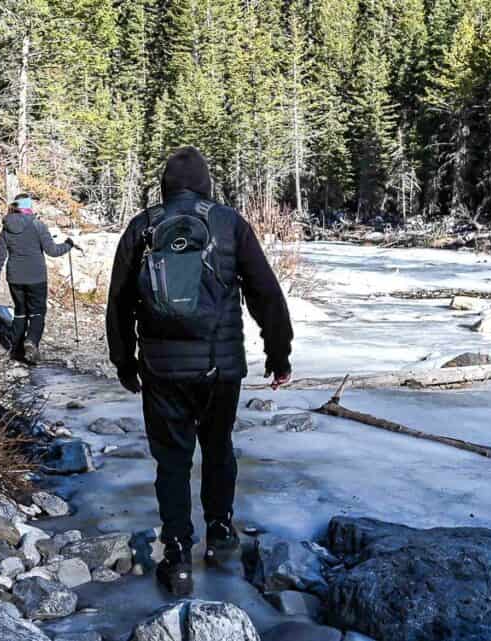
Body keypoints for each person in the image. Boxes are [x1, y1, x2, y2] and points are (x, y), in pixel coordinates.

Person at [106, 146, 294, 596]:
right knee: (218, 448)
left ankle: (176, 556)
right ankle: (221, 535)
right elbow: (266, 293)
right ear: (207, 184)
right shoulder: (229, 223)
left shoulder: (143, 225)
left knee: (171, 462)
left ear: (165, 186)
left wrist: (124, 361)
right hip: (220, 367)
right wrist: (278, 354)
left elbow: (118, 303)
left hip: (161, 369)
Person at [0, 194, 73, 364]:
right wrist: (68, 245)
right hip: (36, 277)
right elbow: (52, 251)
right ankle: (31, 342)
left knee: (20, 313)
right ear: (28, 207)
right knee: (37, 312)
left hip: (15, 278)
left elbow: (0, 255)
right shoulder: (37, 225)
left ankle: (16, 350)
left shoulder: (6, 227)